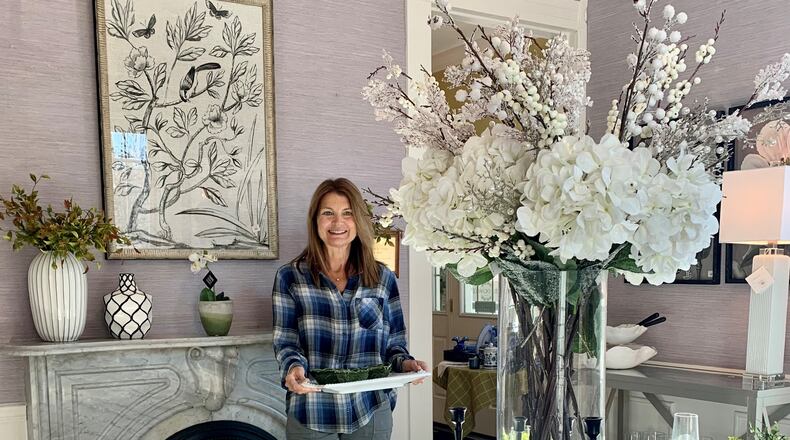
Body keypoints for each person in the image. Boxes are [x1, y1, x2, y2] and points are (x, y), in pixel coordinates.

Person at [273, 178, 428, 440]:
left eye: (347, 213)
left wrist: (407, 364)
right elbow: (287, 343)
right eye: (328, 213)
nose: (338, 223)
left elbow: (394, 346)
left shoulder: (382, 279)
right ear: (315, 221)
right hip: (312, 413)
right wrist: (292, 369)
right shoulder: (290, 277)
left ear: (358, 221)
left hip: (370, 411)